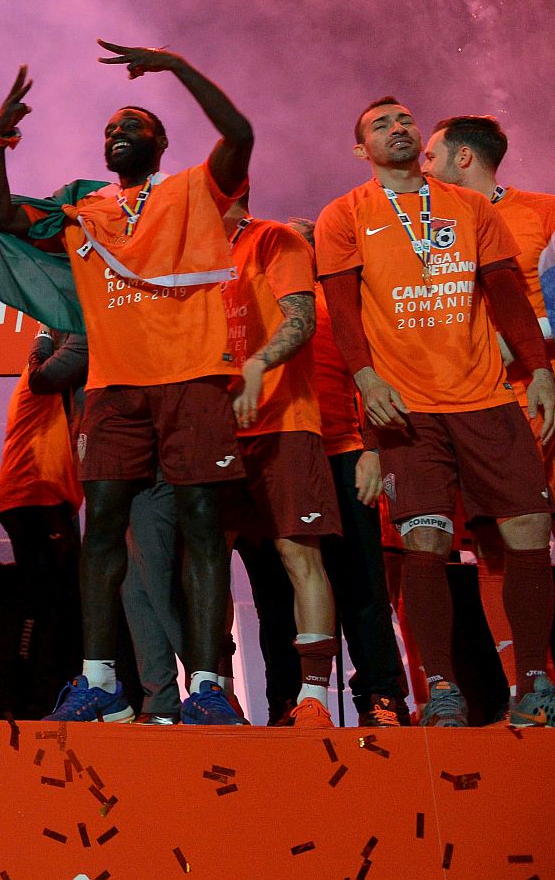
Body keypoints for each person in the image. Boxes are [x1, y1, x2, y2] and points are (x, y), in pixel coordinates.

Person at [0, 43, 255, 725]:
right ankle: (100, 680)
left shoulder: (192, 190)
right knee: (102, 528)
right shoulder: (83, 206)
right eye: (109, 129)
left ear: (160, 143)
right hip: (112, 386)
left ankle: (209, 688)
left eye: (133, 125)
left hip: (193, 375)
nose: (118, 133)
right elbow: (4, 217)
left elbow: (240, 135)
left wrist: (177, 66)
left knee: (202, 530)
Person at [316, 97, 555, 726]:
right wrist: (366, 378)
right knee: (425, 543)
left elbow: (507, 293)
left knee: (529, 532)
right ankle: (443, 691)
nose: (398, 128)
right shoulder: (344, 215)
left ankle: (534, 687)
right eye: (381, 124)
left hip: (487, 396)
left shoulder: (472, 207)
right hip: (408, 408)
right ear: (361, 149)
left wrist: (538, 369)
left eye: (405, 120)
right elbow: (343, 312)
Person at [424, 115, 555, 565]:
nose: (423, 167)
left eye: (431, 156)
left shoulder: (544, 213)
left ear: (463, 157)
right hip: (478, 409)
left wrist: (523, 339)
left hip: (554, 402)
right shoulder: (427, 233)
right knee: (496, 554)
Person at [220, 195, 341, 726]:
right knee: (208, 566)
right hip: (219, 432)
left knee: (299, 557)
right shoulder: (189, 253)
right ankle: (217, 692)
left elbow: (301, 319)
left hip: (284, 422)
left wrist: (257, 363)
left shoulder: (274, 239)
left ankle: (313, 698)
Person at [290, 216, 411, 725]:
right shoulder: (271, 303)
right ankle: (292, 699)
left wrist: (374, 450)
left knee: (362, 581)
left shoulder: (341, 304)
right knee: (292, 584)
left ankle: (381, 695)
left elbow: (379, 377)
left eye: (301, 243)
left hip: (345, 450)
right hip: (289, 452)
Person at [0, 330, 85, 719]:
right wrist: (43, 339)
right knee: (47, 604)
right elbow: (42, 371)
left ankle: (32, 696)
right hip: (37, 497)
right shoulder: (43, 377)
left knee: (49, 602)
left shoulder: (50, 383)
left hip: (37, 498)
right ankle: (29, 699)